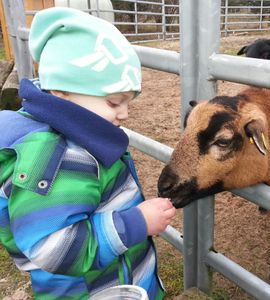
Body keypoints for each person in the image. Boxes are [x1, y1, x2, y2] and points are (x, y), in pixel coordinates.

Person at [0, 7, 176, 300]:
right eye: (113, 102)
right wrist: (137, 223)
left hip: (115, 278)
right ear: (62, 91)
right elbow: (55, 248)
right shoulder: (55, 158)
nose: (125, 113)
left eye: (128, 102)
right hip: (92, 291)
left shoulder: (76, 136)